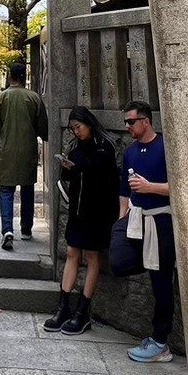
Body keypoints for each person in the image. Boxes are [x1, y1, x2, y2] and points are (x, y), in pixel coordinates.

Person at [44, 106, 119, 334]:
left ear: (88, 123)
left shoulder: (104, 146)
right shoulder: (76, 147)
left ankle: (82, 312)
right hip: (77, 209)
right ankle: (63, 307)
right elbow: (71, 175)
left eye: (78, 127)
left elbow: (95, 169)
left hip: (98, 211)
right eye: (73, 128)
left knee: (92, 256)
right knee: (72, 253)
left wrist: (75, 162)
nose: (76, 132)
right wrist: (67, 167)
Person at [119, 98, 175, 363]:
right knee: (126, 264)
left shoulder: (166, 147)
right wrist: (122, 220)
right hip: (136, 219)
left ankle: (162, 343)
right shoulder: (130, 152)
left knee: (162, 281)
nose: (128, 126)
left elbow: (182, 185)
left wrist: (151, 188)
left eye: (131, 121)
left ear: (146, 121)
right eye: (126, 122)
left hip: (161, 221)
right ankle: (156, 338)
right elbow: (123, 190)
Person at [0, 62, 48, 250]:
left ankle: (7, 230)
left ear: (10, 75)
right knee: (27, 190)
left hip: (6, 150)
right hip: (28, 150)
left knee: (6, 190)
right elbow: (43, 129)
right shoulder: (34, 98)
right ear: (23, 76)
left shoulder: (2, 98)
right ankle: (26, 229)